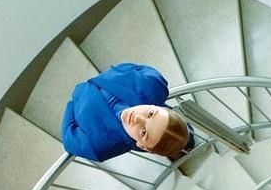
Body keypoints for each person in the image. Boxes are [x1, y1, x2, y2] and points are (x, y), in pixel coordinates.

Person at [60, 62, 194, 162]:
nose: (137, 118)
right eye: (151, 113)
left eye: (144, 132)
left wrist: (73, 104)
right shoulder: (153, 86)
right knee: (173, 134)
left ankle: (184, 145)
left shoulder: (97, 147)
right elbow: (134, 68)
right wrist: (115, 71)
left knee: (170, 137)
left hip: (81, 96)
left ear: (142, 146)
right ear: (158, 106)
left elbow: (68, 136)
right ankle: (186, 140)